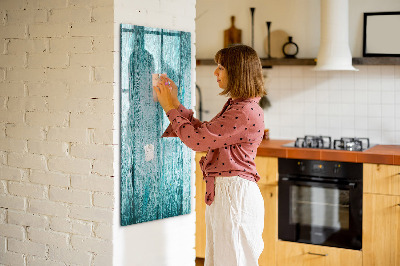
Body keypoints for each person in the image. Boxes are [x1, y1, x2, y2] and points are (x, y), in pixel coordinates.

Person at [153, 44, 267, 266]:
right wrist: (175, 103)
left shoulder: (243, 111)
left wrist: (169, 108)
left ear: (237, 72)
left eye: (221, 67)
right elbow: (205, 133)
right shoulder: (239, 106)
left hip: (234, 196)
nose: (215, 72)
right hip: (228, 194)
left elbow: (197, 141)